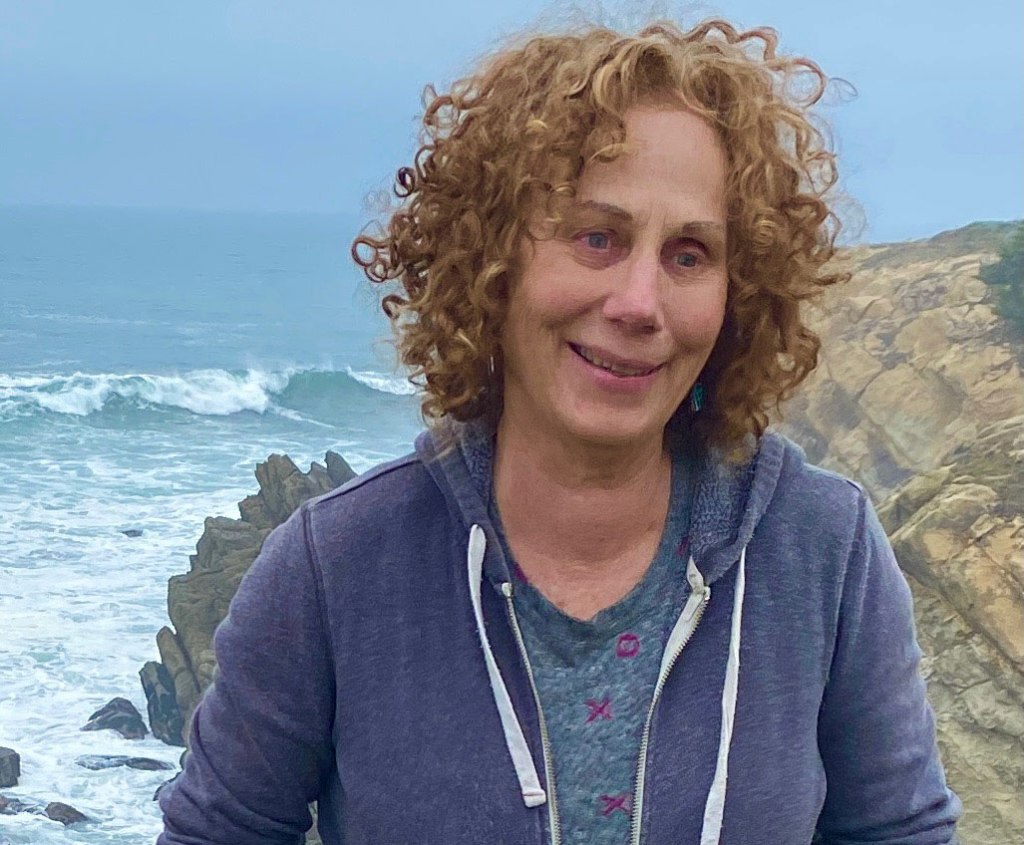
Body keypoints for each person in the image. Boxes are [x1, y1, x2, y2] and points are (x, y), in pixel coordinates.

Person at [158, 17, 961, 845]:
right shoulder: (333, 568)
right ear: (490, 261)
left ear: (739, 294)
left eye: (689, 254)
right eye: (596, 237)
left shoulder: (823, 550)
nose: (639, 302)